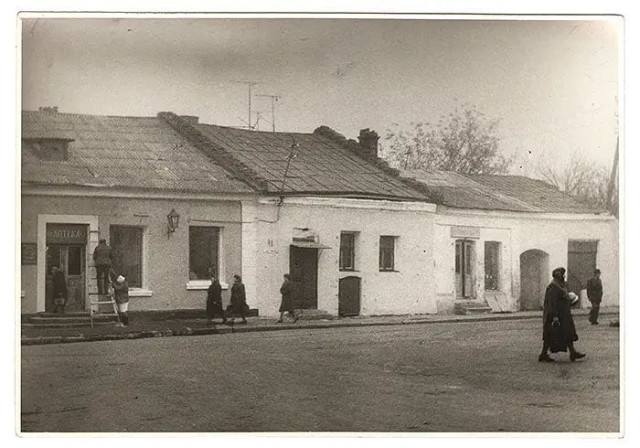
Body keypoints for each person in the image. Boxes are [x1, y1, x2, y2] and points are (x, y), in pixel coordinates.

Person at [539, 267, 586, 363]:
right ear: (557, 276)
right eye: (562, 274)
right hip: (554, 314)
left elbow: (563, 297)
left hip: (564, 314)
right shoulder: (553, 286)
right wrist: (555, 316)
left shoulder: (562, 285)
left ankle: (573, 352)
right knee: (549, 335)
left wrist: (571, 300)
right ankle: (543, 354)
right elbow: (552, 303)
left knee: (568, 333)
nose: (564, 276)